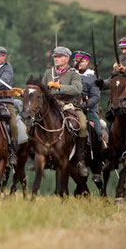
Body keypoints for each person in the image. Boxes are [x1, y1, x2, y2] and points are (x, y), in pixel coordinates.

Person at [42, 46, 88, 177]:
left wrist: (59, 86)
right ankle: (38, 155)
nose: (56, 59)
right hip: (50, 105)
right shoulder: (48, 72)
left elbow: (77, 89)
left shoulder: (73, 73)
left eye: (59, 57)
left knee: (83, 125)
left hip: (68, 105)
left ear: (66, 59)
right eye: (55, 57)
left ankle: (80, 160)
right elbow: (42, 88)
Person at [73, 51, 102, 142]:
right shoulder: (70, 74)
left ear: (86, 62)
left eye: (80, 61)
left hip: (88, 110)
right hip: (69, 106)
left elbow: (96, 97)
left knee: (97, 133)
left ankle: (101, 147)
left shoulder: (93, 76)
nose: (77, 63)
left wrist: (83, 105)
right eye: (75, 61)